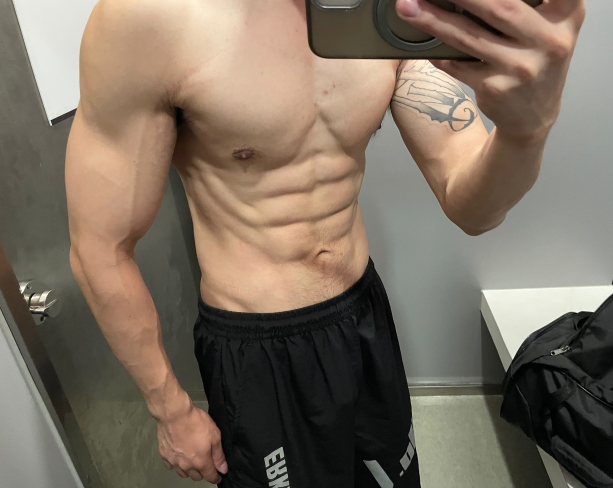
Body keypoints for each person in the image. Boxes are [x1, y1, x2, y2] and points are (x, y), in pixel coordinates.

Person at [65, 0, 585, 486]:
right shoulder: (149, 18)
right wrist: (171, 411)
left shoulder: (393, 11)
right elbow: (100, 248)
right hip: (258, 351)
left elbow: (473, 207)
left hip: (363, 320)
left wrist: (525, 131)